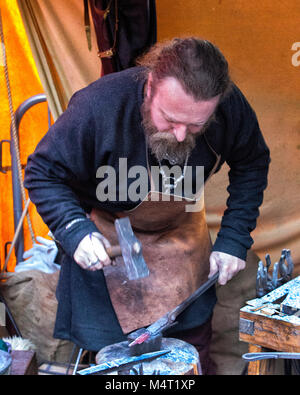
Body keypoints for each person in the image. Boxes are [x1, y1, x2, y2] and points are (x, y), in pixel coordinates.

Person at [24, 37, 270, 374]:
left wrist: (234, 239)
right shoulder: (98, 107)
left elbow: (253, 162)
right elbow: (42, 172)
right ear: (150, 86)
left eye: (197, 125)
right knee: (115, 368)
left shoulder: (229, 107)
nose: (182, 135)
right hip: (107, 242)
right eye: (170, 120)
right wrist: (73, 230)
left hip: (181, 242)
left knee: (189, 359)